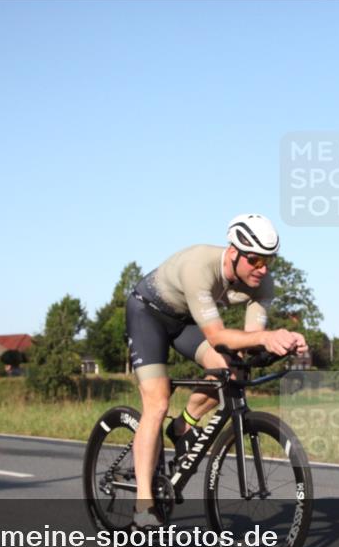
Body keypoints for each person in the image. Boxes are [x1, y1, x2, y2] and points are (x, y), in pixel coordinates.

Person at [125, 214, 308, 529]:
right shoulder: (199, 266)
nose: (262, 269)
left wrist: (284, 343)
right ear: (233, 252)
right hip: (148, 314)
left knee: (233, 370)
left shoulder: (263, 284)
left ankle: (184, 425)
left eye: (268, 261)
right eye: (254, 260)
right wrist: (267, 337)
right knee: (157, 402)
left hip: (184, 322)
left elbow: (251, 339)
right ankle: (144, 505)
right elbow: (218, 336)